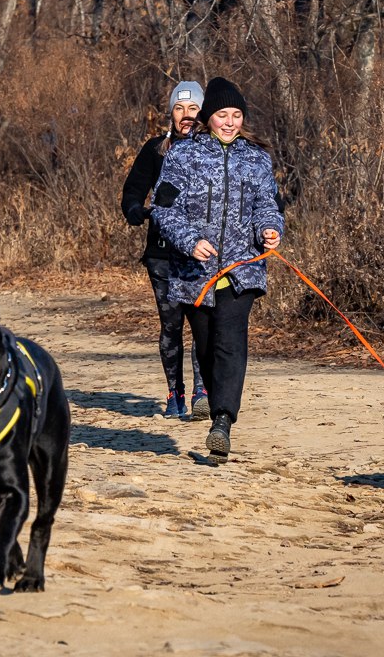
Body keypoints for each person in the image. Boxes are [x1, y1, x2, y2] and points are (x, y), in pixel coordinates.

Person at [151, 77, 283, 461]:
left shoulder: (257, 158)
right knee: (207, 347)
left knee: (231, 341)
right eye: (223, 115)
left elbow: (267, 206)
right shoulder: (182, 157)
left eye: (237, 115)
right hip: (195, 272)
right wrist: (190, 241)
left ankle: (222, 422)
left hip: (243, 269)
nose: (230, 122)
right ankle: (214, 404)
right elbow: (162, 208)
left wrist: (270, 230)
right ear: (209, 118)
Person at [121, 80, 209, 420]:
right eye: (179, 109)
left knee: (203, 324)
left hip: (203, 254)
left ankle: (203, 392)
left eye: (193, 109)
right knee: (171, 325)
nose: (186, 116)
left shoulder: (213, 152)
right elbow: (132, 190)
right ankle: (176, 394)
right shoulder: (156, 149)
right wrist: (133, 210)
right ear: (170, 113)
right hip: (161, 254)